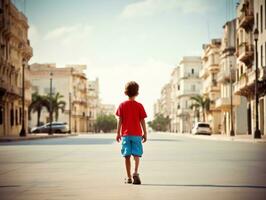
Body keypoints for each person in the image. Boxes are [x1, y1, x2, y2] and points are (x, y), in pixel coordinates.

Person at [116, 81, 147, 185]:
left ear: (125, 93)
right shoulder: (139, 106)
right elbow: (142, 120)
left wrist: (118, 133)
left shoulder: (122, 105)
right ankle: (135, 172)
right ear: (137, 93)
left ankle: (129, 177)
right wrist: (145, 133)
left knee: (127, 156)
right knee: (137, 154)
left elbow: (120, 120)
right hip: (137, 134)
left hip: (126, 135)